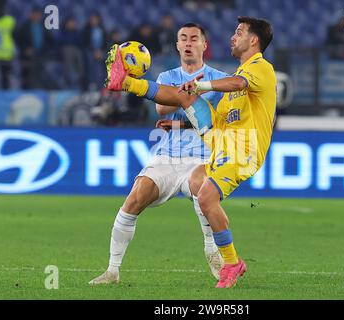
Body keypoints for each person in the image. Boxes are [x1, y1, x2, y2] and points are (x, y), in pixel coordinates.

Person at [102, 16, 276, 288]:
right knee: (184, 97)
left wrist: (201, 85)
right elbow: (217, 115)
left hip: (242, 151)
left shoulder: (258, 69)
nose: (233, 36)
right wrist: (180, 123)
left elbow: (237, 84)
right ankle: (125, 83)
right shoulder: (237, 73)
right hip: (218, 140)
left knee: (205, 195)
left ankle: (230, 261)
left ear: (253, 40)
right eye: (183, 38)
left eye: (239, 32)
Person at [89, 23, 228, 285]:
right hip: (167, 156)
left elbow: (219, 118)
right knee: (134, 199)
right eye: (183, 38)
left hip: (202, 154)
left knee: (202, 187)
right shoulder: (166, 77)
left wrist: (189, 98)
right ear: (177, 45)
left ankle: (211, 248)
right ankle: (112, 270)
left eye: (193, 39)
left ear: (204, 45)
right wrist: (190, 91)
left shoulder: (218, 79)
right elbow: (163, 108)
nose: (188, 43)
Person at [16, 6, 53, 89]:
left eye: (38, 14)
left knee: (40, 75)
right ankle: (25, 92)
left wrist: (45, 50)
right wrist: (26, 49)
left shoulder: (44, 26)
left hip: (41, 55)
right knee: (26, 76)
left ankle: (40, 90)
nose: (36, 16)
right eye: (35, 14)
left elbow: (50, 40)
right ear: (31, 15)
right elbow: (19, 40)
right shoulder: (24, 26)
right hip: (27, 55)